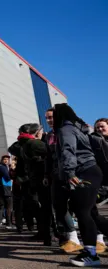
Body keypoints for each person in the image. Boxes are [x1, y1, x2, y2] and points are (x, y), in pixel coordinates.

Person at [53, 103, 107, 267]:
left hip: (83, 172)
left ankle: (91, 255)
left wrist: (69, 174)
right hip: (91, 171)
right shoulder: (79, 129)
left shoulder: (65, 129)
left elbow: (69, 151)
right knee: (91, 213)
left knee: (83, 212)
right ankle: (90, 253)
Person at [45, 108, 82, 252]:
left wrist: (72, 172)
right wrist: (46, 175)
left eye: (51, 117)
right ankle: (73, 239)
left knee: (83, 207)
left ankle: (98, 240)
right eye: (47, 118)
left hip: (74, 173)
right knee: (59, 206)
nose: (49, 120)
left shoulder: (68, 130)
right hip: (57, 175)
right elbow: (48, 157)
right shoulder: (49, 136)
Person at [0, 155, 15, 229]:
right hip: (5, 189)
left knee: (6, 207)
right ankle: (8, 224)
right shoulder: (2, 167)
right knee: (8, 207)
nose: (6, 160)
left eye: (7, 159)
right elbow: (7, 177)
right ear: (2, 160)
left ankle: (7, 223)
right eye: (4, 159)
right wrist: (13, 173)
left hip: (5, 188)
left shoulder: (4, 167)